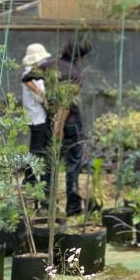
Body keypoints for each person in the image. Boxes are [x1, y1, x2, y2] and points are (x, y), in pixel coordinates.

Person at [24, 37, 92, 216]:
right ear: (81, 57)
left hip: (50, 120)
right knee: (73, 165)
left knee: (49, 165)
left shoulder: (49, 64)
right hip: (69, 125)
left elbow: (26, 78)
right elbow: (67, 103)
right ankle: (73, 209)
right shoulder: (75, 73)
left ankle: (47, 205)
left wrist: (43, 96)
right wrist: (59, 127)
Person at [20, 42, 52, 188]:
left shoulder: (28, 73)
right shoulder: (31, 76)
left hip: (33, 116)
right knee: (36, 150)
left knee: (36, 148)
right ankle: (30, 177)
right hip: (37, 117)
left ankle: (30, 177)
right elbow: (40, 97)